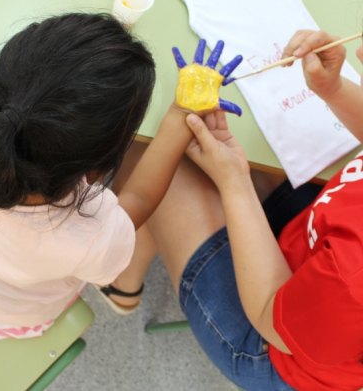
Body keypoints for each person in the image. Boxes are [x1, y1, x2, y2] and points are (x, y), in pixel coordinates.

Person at [0, 13, 193, 340]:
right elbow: (140, 198)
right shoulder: (89, 236)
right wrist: (179, 117)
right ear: (97, 171)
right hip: (11, 317)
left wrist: (20, 99)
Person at [113, 29, 363, 390]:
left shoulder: (353, 277)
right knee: (207, 151)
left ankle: (121, 285)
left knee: (150, 156)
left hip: (275, 344)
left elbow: (268, 314)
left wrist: (234, 179)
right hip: (316, 246)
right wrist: (333, 89)